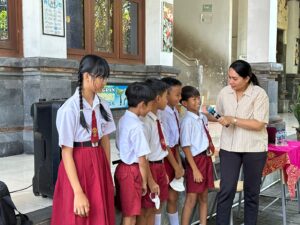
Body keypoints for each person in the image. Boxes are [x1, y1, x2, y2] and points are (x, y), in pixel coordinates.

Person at [51, 55, 116, 225]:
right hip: (78, 165)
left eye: (105, 78)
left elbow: (105, 139)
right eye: (101, 77)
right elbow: (66, 152)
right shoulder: (69, 109)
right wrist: (78, 192)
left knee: (100, 213)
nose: (104, 82)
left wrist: (107, 172)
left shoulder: (104, 106)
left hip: (99, 163)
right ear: (87, 76)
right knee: (79, 217)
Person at [215, 60, 269, 225]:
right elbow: (218, 113)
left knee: (252, 192)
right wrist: (218, 118)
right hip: (229, 148)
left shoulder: (259, 94)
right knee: (226, 190)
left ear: (247, 78)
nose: (231, 82)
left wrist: (234, 120)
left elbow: (259, 123)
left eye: (235, 79)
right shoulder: (224, 92)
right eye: (229, 77)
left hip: (254, 149)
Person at [114, 82, 155, 225]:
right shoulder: (137, 126)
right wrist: (144, 182)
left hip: (123, 168)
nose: (151, 109)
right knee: (130, 216)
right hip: (132, 171)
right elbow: (142, 159)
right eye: (150, 105)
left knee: (129, 212)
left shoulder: (123, 119)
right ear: (142, 105)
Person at [180, 86, 214, 225]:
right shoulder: (187, 121)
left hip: (205, 159)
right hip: (195, 161)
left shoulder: (202, 117)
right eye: (193, 99)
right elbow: (186, 147)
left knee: (204, 197)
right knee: (191, 198)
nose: (197, 102)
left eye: (198, 98)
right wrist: (194, 169)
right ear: (185, 103)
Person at [137, 78, 169, 225]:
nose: (167, 100)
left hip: (160, 165)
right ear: (157, 98)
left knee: (157, 205)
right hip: (150, 168)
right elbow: (145, 156)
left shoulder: (157, 118)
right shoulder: (145, 123)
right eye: (165, 96)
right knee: (147, 209)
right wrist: (150, 179)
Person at [159, 77, 185, 225]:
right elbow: (166, 144)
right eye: (177, 95)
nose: (180, 98)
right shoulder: (162, 113)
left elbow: (175, 144)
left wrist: (179, 165)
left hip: (174, 156)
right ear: (165, 95)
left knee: (173, 196)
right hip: (165, 159)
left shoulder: (174, 111)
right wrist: (176, 166)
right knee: (161, 198)